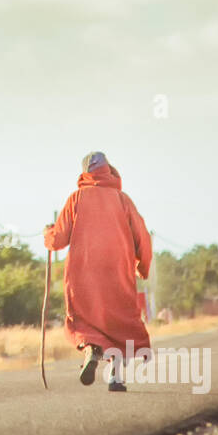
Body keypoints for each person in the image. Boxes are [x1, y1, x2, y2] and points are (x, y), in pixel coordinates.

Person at [43, 151, 153, 392]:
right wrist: (142, 266)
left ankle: (91, 349)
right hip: (117, 271)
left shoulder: (76, 198)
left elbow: (59, 239)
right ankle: (115, 376)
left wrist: (48, 234)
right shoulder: (122, 200)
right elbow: (142, 237)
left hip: (83, 273)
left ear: (85, 172)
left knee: (84, 318)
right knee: (118, 319)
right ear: (109, 170)